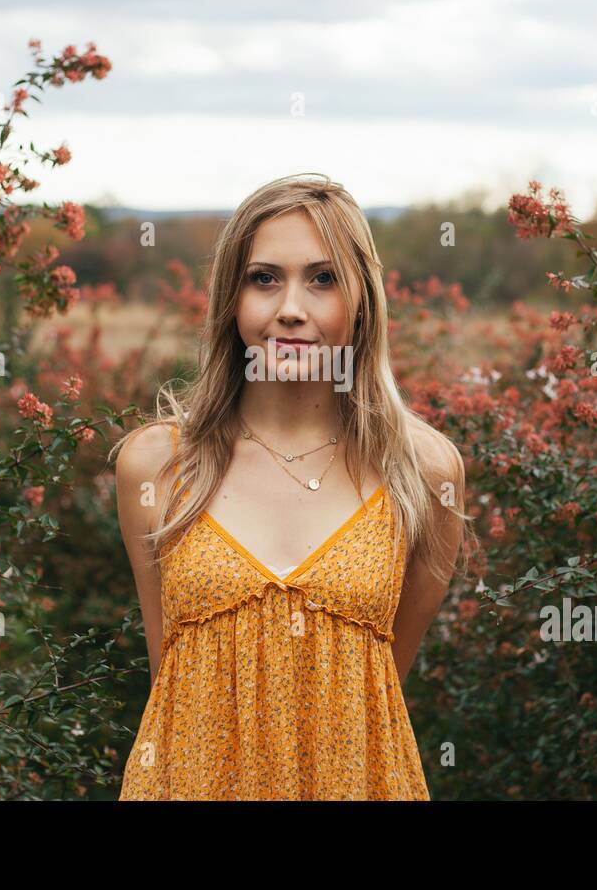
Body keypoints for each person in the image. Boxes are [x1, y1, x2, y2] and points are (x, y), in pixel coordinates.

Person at [110, 172, 471, 800]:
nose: (291, 309)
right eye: (264, 278)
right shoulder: (157, 467)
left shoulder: (424, 474)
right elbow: (167, 674)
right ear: (232, 298)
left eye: (323, 278)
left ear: (362, 299)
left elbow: (379, 683)